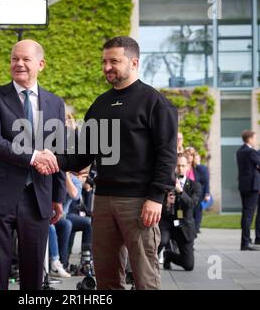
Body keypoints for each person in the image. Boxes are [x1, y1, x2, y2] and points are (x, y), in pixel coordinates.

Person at [53, 36, 178, 290]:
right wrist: (52, 159)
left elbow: (167, 154)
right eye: (104, 61)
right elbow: (83, 154)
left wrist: (156, 197)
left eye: (114, 61)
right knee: (107, 278)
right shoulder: (100, 105)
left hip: (140, 202)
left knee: (145, 277)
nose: (107, 67)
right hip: (104, 200)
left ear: (134, 63)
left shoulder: (155, 103)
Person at [0, 39, 66, 290]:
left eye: (25, 59)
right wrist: (34, 157)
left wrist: (57, 196)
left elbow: (58, 151)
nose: (19, 64)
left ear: (41, 64)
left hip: (38, 197)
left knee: (34, 271)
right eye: (15, 59)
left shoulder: (55, 103)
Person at [159, 153, 201, 271]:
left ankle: (169, 255)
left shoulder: (195, 186)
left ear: (188, 166)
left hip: (184, 226)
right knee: (160, 241)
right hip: (167, 223)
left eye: (183, 165)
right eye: (177, 166)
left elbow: (192, 204)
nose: (180, 168)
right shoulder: (165, 184)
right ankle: (147, 268)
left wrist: (180, 191)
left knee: (188, 265)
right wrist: (166, 203)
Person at [236, 130, 260, 251]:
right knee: (248, 215)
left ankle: (246, 240)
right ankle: (245, 243)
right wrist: (258, 167)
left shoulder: (240, 151)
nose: (256, 140)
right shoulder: (251, 152)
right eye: (254, 138)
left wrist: (257, 166)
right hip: (253, 187)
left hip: (244, 186)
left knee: (245, 214)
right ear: (249, 139)